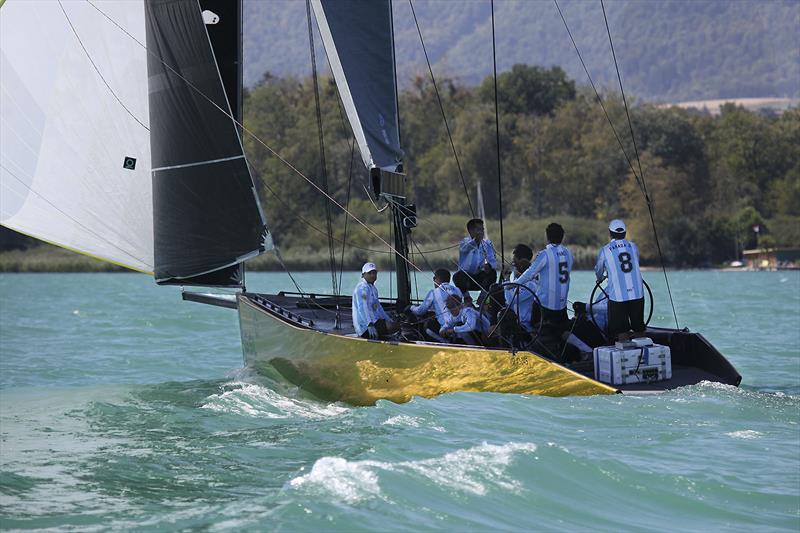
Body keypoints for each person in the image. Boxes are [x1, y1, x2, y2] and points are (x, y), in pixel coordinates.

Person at [514, 223, 573, 329]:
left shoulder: (545, 254)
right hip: (562, 306)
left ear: (547, 236)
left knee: (535, 327)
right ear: (562, 237)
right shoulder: (568, 253)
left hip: (545, 307)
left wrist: (513, 284)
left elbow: (529, 273)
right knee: (562, 332)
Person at [594, 219, 645, 339]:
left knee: (621, 331)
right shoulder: (633, 247)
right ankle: (643, 351)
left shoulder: (605, 250)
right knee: (639, 328)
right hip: (637, 293)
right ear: (625, 233)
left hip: (618, 297)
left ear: (610, 233)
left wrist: (600, 278)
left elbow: (599, 270)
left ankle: (625, 356)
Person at [452, 218, 497, 302]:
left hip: (479, 279)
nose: (482, 232)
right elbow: (466, 248)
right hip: (466, 280)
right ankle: (467, 298)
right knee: (458, 276)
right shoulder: (464, 243)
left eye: (482, 229)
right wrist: (476, 240)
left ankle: (482, 299)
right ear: (470, 231)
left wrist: (489, 266)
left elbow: (493, 262)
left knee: (492, 273)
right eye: (478, 229)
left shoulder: (487, 244)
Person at [352, 262, 399, 339]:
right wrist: (369, 324)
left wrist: (388, 319)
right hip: (365, 327)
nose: (372, 275)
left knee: (394, 323)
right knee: (397, 326)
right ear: (363, 275)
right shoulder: (362, 288)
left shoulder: (373, 289)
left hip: (375, 322)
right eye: (369, 273)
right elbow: (362, 307)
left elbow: (377, 307)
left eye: (374, 273)